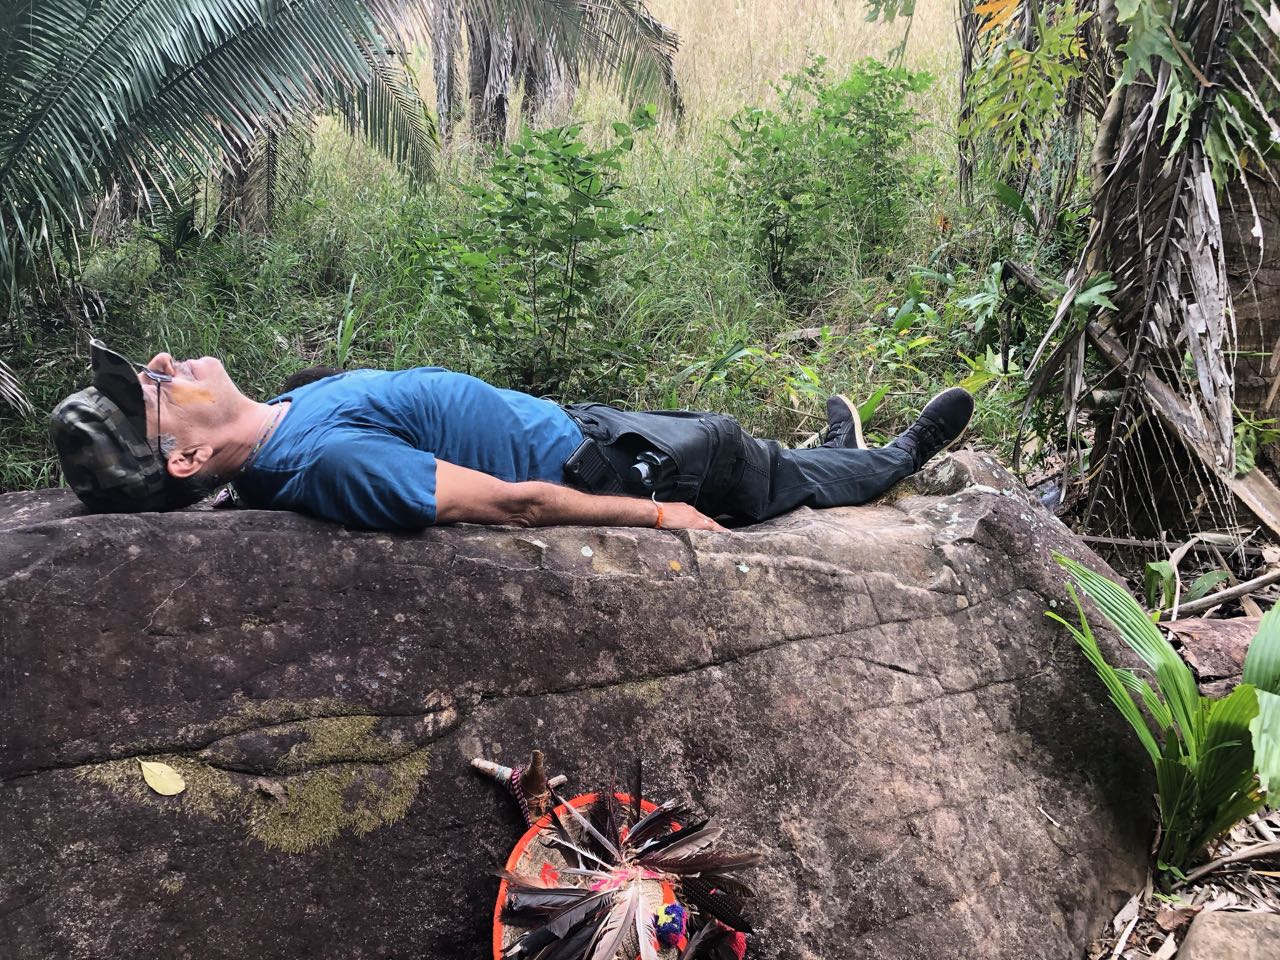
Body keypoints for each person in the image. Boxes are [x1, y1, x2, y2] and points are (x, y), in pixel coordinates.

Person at [49, 340, 973, 532]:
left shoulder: (287, 424)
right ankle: (891, 461)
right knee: (747, 464)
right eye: (155, 387)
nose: (167, 361)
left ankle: (822, 456)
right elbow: (512, 504)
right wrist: (655, 525)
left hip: (588, 427)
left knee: (762, 461)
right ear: (184, 456)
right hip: (613, 468)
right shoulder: (325, 462)